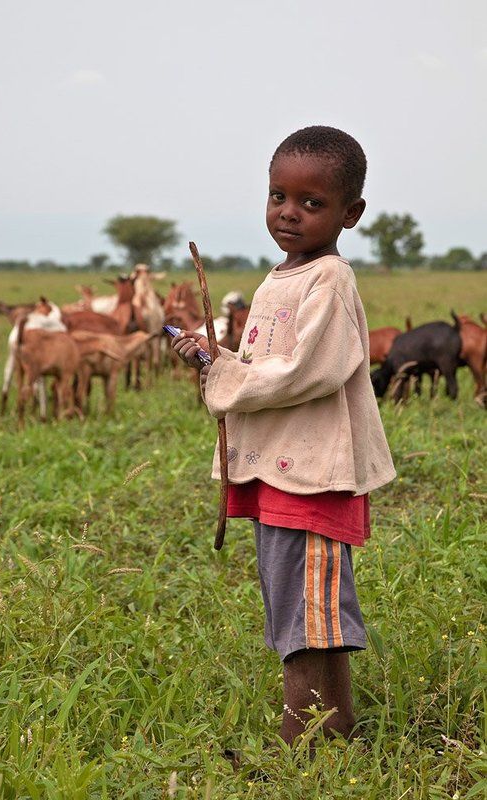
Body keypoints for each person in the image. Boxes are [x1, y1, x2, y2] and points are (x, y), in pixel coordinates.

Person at [172, 126, 396, 748]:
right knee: (300, 605)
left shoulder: (330, 279)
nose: (288, 212)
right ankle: (339, 728)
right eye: (277, 196)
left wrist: (226, 379)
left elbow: (307, 372)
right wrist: (215, 357)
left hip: (314, 473)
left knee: (306, 613)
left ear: (350, 214)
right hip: (278, 468)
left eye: (311, 202)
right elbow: (263, 363)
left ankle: (301, 740)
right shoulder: (279, 279)